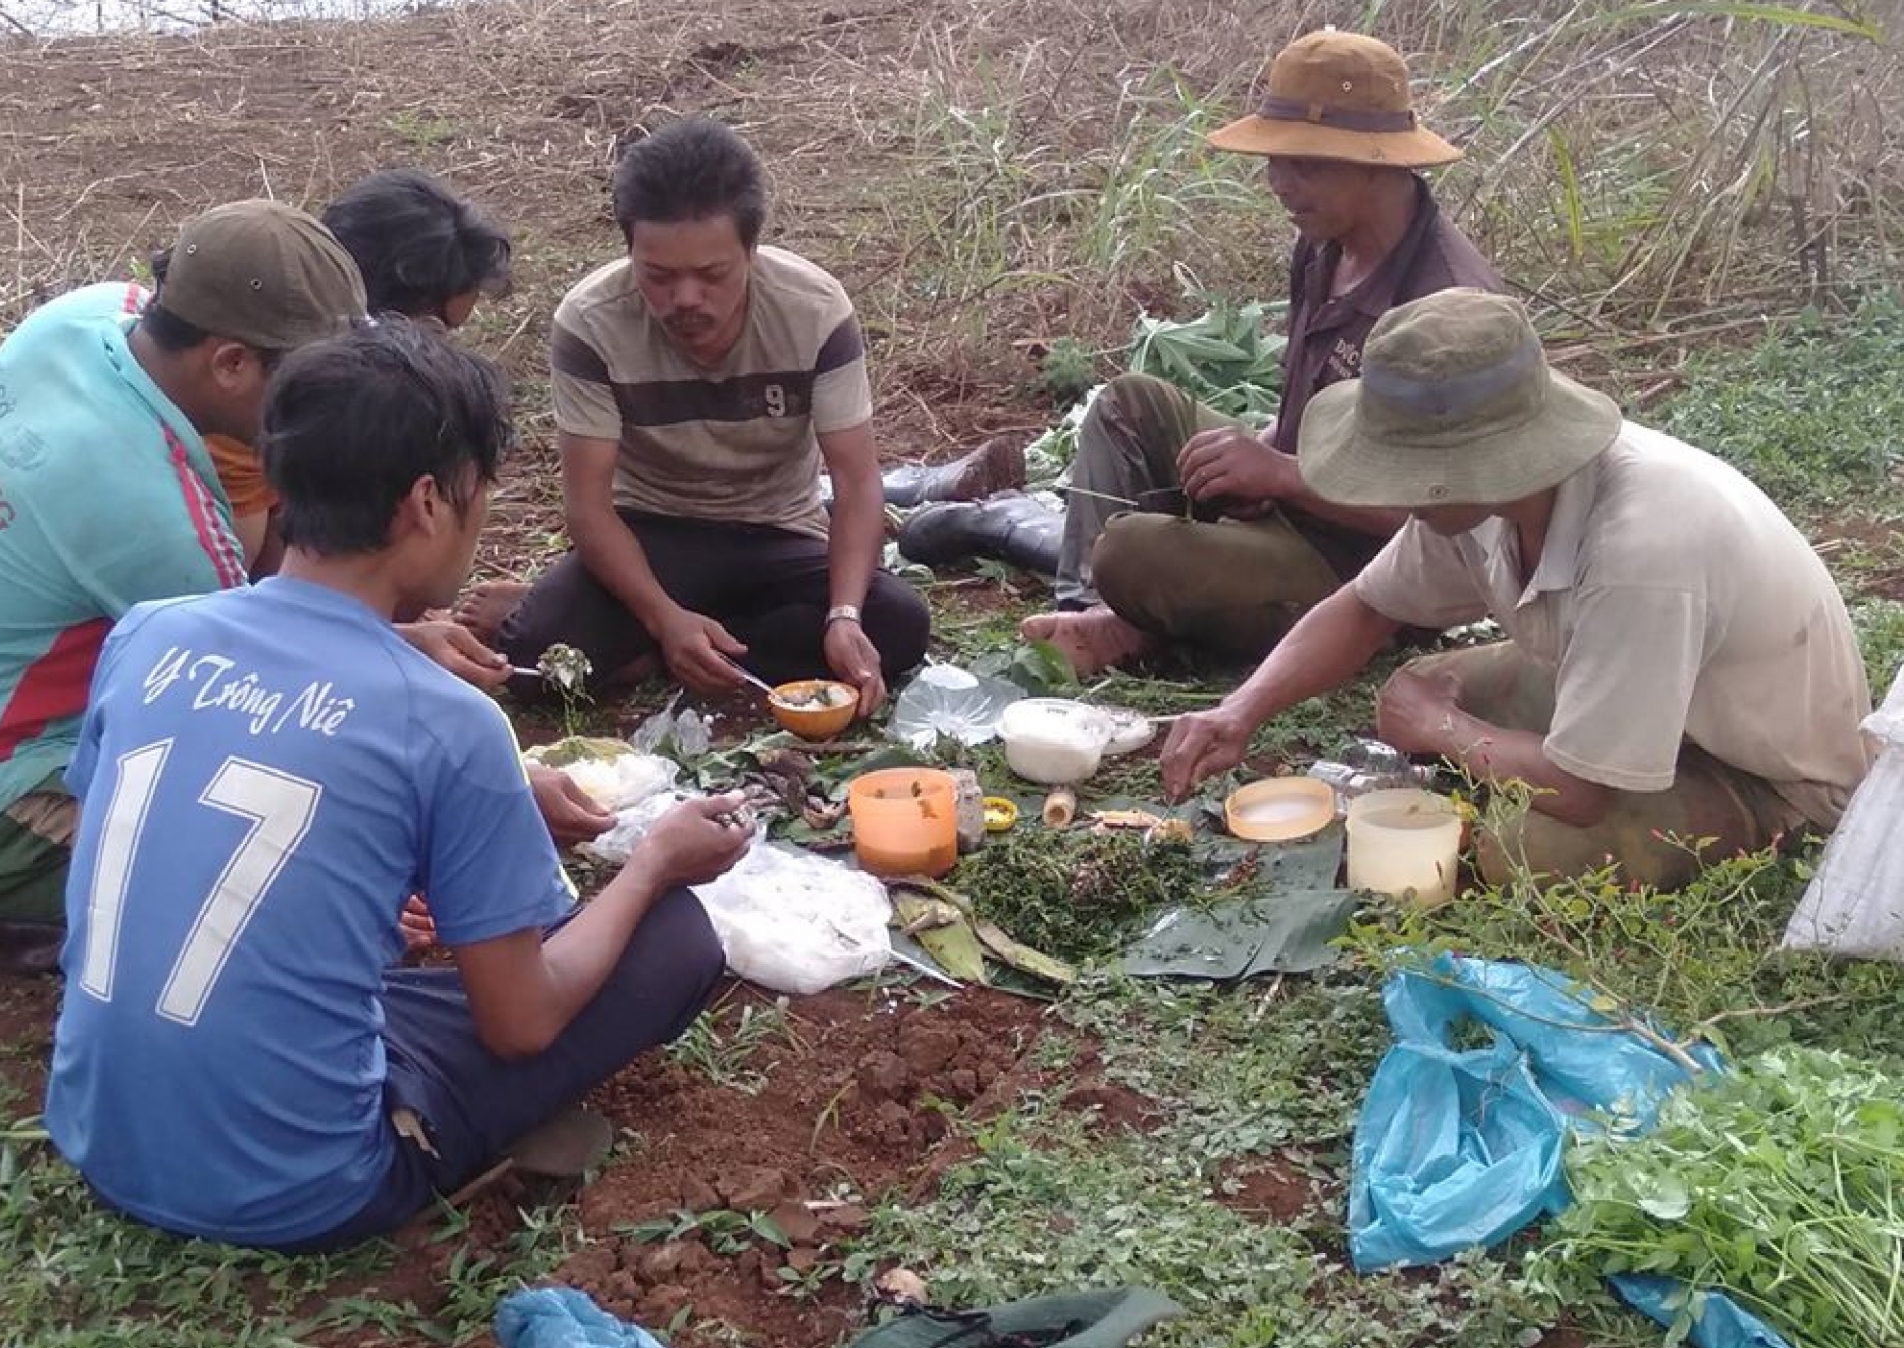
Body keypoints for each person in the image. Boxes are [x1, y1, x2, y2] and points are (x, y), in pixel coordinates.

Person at [43, 319, 753, 1251]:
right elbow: (522, 1021)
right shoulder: (447, 721)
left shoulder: (149, 634)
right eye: (480, 494)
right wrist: (655, 862)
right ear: (426, 502)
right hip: (306, 1183)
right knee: (669, 938)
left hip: (99, 1133)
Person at [1160, 289, 1873, 889]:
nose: (1392, 495)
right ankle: (1526, 741)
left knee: (1524, 846)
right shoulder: (1481, 506)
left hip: (1762, 774)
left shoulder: (1643, 547)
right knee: (1419, 682)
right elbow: (1368, 606)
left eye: (1404, 472)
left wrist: (1448, 732)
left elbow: (1584, 789)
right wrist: (1240, 709)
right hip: (1654, 693)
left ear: (1480, 465)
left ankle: (1745, 823)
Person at [900, 29, 1502, 675]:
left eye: (1306, 164)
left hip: (1365, 568)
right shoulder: (1327, 243)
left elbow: (1453, 520)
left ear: (1379, 161)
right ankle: (1094, 613)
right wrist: (1254, 457)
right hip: (1299, 501)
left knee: (1135, 550)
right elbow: (1305, 407)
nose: (1278, 183)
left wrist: (1284, 477)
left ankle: (1129, 612)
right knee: (1128, 403)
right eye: (1275, 161)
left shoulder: (1448, 306)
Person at [0, 201, 366, 945]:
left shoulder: (87, 317)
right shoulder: (150, 512)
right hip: (4, 777)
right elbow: (264, 693)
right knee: (262, 867)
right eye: (310, 386)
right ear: (229, 363)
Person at [456, 116, 930, 715]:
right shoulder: (591, 322)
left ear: (751, 251)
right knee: (539, 663)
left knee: (899, 626)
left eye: (711, 275)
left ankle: (653, 645)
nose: (685, 298)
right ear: (629, 250)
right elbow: (588, 505)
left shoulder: (814, 310)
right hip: (654, 530)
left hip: (778, 531)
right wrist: (664, 612)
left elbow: (858, 482)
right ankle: (655, 625)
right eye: (657, 276)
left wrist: (843, 615)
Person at [207, 169, 515, 572]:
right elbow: (248, 589)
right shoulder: (250, 409)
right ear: (376, 313)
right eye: (435, 330)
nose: (439, 352)